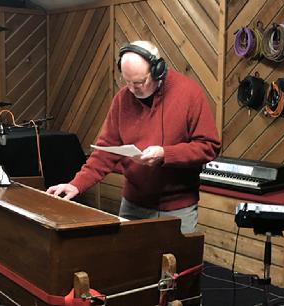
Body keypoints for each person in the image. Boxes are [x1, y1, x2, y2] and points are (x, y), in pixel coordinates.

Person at [46, 40, 221, 233]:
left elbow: (209, 146)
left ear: (158, 70)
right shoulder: (122, 100)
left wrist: (165, 154)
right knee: (130, 262)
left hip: (179, 208)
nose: (132, 89)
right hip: (133, 205)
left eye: (138, 82)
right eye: (126, 81)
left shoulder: (189, 93)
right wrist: (76, 185)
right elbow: (105, 152)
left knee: (178, 262)